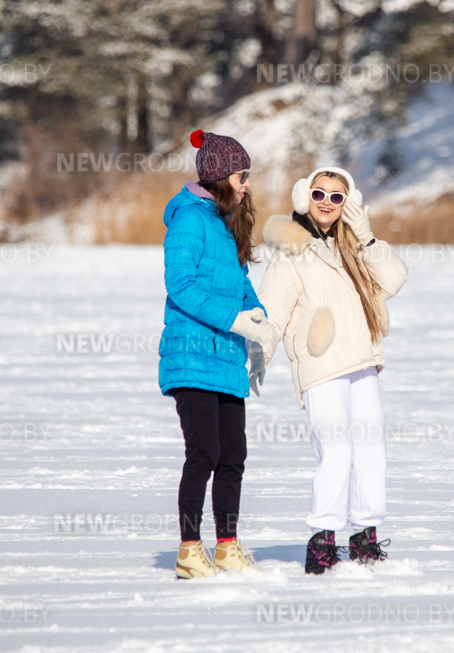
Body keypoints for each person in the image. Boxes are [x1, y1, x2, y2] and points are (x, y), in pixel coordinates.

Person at [257, 167, 409, 574]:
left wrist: (366, 234)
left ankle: (365, 537)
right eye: (319, 193)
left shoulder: (354, 247)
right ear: (303, 197)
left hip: (363, 361)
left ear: (348, 204)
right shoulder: (290, 251)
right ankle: (322, 540)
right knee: (337, 450)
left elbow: (394, 280)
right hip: (321, 364)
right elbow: (270, 310)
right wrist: (258, 350)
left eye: (337, 197)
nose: (327, 202)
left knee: (371, 449)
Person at [158, 129, 278, 580]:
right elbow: (181, 287)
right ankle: (190, 550)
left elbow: (242, 287)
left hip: (226, 356)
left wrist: (260, 330)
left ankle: (227, 545)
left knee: (233, 455)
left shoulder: (225, 220)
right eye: (242, 174)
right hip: (191, 354)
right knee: (203, 452)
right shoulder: (190, 219)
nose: (247, 183)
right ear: (220, 174)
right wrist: (234, 321)